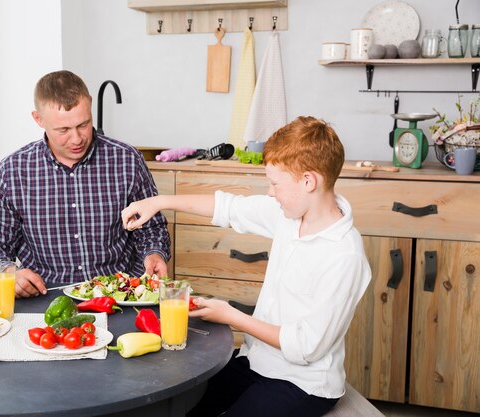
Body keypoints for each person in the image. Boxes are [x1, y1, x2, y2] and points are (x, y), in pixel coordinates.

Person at [121, 116, 371, 417]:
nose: (269, 192)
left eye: (275, 183)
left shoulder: (344, 255)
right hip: (257, 362)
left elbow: (306, 347)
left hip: (303, 385)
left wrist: (232, 316)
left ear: (308, 182)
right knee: (183, 405)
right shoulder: (291, 216)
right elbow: (227, 207)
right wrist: (158, 202)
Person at [0, 70, 170, 298]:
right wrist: (9, 272)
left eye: (83, 124)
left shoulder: (127, 160)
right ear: (38, 119)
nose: (77, 139)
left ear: (89, 106)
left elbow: (152, 228)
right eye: (64, 130)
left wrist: (154, 253)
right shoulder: (13, 170)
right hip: (47, 299)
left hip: (118, 296)